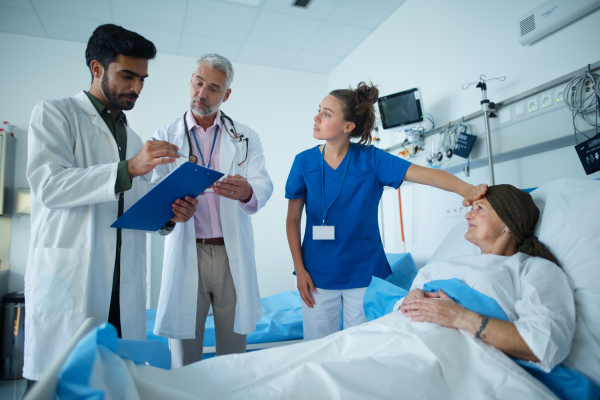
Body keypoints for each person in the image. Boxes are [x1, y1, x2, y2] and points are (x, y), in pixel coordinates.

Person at [24, 24, 197, 382]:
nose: (136, 87)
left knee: (115, 383)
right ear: (97, 68)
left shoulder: (133, 137)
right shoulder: (56, 114)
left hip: (123, 287)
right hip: (75, 282)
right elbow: (49, 185)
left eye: (143, 79)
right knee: (62, 383)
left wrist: (169, 214)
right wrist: (131, 167)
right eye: (127, 75)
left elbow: (132, 207)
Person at [285, 82, 488, 341]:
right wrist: (299, 270)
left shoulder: (372, 159)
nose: (316, 118)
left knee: (364, 343)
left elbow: (427, 175)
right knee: (316, 344)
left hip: (363, 271)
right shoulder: (303, 162)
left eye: (326, 114)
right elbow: (292, 220)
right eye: (319, 110)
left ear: (348, 127)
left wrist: (467, 189)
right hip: (316, 272)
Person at [151, 53, 273, 367]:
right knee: (184, 354)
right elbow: (153, 192)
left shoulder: (245, 136)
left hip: (230, 254)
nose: (202, 93)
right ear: (190, 82)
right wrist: (172, 210)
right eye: (198, 82)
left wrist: (246, 190)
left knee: (233, 354)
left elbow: (263, 182)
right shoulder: (165, 137)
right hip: (187, 250)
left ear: (226, 94)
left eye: (213, 88)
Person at [399, 184, 574, 371]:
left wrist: (461, 317)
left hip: (453, 361)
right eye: (471, 208)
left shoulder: (534, 269)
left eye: (479, 208)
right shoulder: (440, 266)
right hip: (401, 339)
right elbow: (405, 310)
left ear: (508, 223)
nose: (467, 215)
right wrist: (408, 300)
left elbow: (543, 343)